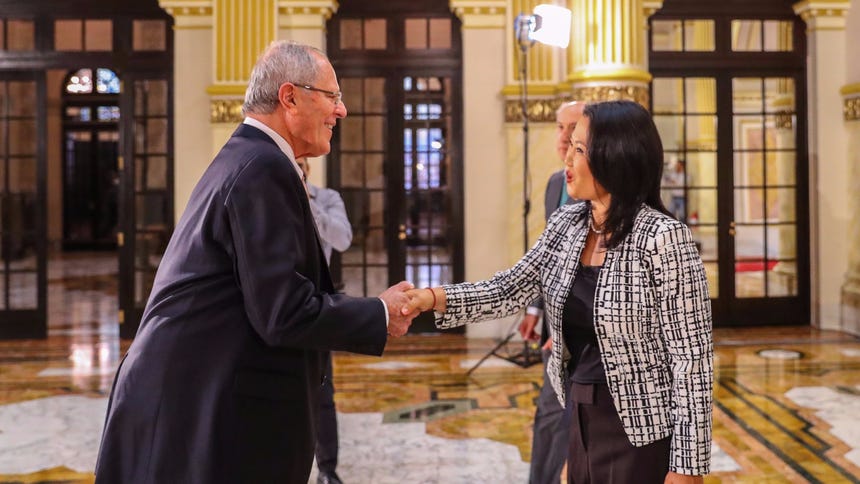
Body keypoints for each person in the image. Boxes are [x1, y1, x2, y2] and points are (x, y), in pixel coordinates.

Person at [95, 41, 417, 484]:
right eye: (332, 96)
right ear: (290, 97)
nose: (341, 111)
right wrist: (378, 313)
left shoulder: (251, 157)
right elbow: (282, 312)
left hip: (194, 399)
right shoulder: (263, 167)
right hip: (196, 410)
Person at [405, 100, 713, 484]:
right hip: (580, 417)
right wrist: (432, 298)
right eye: (569, 143)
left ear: (614, 156)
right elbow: (509, 288)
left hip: (642, 432)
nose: (566, 154)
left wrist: (687, 467)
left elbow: (692, 361)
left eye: (579, 147)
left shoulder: (664, 239)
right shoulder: (569, 223)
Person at [518, 100, 584, 484]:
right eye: (560, 127)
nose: (563, 137)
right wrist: (535, 309)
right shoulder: (555, 185)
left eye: (572, 128)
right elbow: (547, 257)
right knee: (549, 418)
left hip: (592, 337)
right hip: (556, 334)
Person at [296, 157, 351, 484]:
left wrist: (306, 200)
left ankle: (327, 470)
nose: (297, 168)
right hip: (280, 303)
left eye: (301, 164)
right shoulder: (269, 196)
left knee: (322, 390)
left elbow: (342, 239)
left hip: (317, 303)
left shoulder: (328, 198)